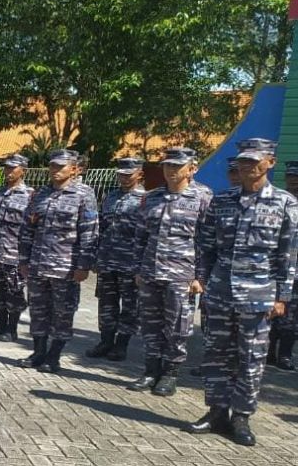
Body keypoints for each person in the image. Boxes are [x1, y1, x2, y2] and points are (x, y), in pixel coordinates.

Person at [190, 138, 298, 446]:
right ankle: (216, 411)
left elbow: (288, 254)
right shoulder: (222, 200)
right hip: (221, 291)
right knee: (216, 354)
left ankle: (241, 417)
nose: (246, 165)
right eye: (243, 161)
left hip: (259, 294)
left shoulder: (285, 203)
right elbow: (206, 246)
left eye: (254, 160)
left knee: (251, 357)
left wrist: (282, 297)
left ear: (270, 163)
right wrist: (203, 279)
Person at [127, 148, 210, 396]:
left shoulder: (203, 197)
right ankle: (151, 370)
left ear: (192, 169)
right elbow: (140, 237)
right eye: (167, 166)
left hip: (182, 275)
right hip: (151, 272)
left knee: (177, 326)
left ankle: (170, 373)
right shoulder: (152, 197)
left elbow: (207, 241)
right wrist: (137, 269)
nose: (171, 170)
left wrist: (200, 277)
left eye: (177, 166)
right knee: (150, 324)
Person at [18, 149, 99, 373]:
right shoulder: (40, 194)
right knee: (38, 310)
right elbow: (28, 229)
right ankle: (39, 351)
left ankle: (54, 356)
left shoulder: (84, 194)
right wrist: (24, 260)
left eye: (60, 167)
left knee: (62, 313)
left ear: (73, 169)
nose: (55, 171)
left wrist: (84, 265)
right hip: (38, 264)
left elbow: (89, 232)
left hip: (66, 267)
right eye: (53, 166)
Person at [85, 158, 146, 361]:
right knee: (106, 304)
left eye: (129, 175)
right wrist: (95, 256)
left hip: (129, 263)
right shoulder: (111, 197)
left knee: (130, 306)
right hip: (107, 261)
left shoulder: (145, 200)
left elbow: (146, 235)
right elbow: (99, 227)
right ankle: (106, 341)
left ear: (139, 174)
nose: (124, 178)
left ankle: (122, 345)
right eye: (121, 174)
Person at [0, 154, 34, 342]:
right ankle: (0, 324)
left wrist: (27, 257)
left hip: (14, 254)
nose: (9, 171)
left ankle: (11, 330)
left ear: (23, 171)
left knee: (14, 292)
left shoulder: (30, 195)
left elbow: (31, 228)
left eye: (13, 168)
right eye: (6, 167)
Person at [268, 160, 298, 373]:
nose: (293, 182)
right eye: (290, 177)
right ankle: (268, 353)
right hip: (279, 268)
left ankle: (285, 354)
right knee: (272, 311)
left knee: (293, 315)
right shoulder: (278, 201)